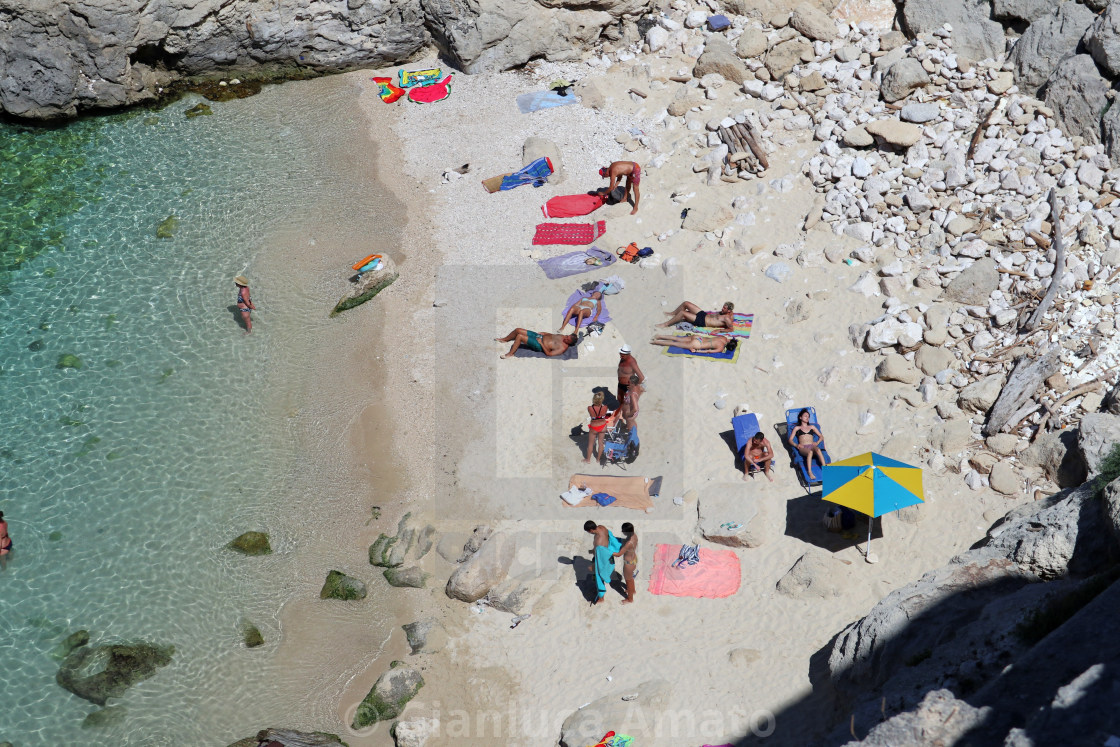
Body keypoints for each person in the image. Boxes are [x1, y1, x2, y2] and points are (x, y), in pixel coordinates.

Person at [584, 520, 622, 604]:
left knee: (599, 577)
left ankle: (601, 598)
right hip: (608, 556)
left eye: (588, 532)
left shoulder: (598, 543)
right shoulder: (602, 527)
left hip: (603, 558)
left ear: (590, 530)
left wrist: (594, 565)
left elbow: (601, 559)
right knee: (610, 572)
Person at [789, 408, 827, 480]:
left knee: (818, 450)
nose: (807, 418)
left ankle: (825, 468)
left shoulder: (812, 427)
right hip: (803, 448)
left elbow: (821, 436)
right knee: (810, 452)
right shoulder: (797, 428)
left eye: (808, 416)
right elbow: (790, 440)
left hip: (812, 445)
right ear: (800, 417)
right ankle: (809, 472)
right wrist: (796, 445)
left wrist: (817, 442)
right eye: (805, 416)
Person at [495, 329, 577, 358]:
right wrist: (544, 333)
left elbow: (549, 354)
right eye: (567, 336)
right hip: (539, 336)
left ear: (569, 343)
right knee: (518, 330)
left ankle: (510, 354)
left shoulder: (562, 348)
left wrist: (541, 343)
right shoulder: (564, 336)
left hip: (539, 345)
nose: (565, 337)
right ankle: (505, 339)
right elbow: (552, 335)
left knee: (520, 336)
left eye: (567, 339)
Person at [659, 301, 735, 330]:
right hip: (704, 315)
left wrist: (718, 331)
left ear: (728, 310)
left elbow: (731, 329)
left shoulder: (727, 318)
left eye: (724, 308)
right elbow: (732, 313)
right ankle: (673, 314)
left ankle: (666, 324)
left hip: (702, 322)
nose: (722, 309)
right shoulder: (728, 312)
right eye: (723, 307)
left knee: (683, 313)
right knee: (686, 303)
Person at [584, 391, 612, 464]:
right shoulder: (605, 407)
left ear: (594, 399)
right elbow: (606, 415)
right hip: (602, 426)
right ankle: (598, 459)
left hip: (594, 427)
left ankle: (588, 460)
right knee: (600, 443)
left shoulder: (589, 408)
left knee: (590, 444)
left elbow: (592, 415)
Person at [614, 522, 638, 604]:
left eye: (623, 530)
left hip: (628, 564)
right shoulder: (634, 536)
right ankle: (633, 590)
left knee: (628, 581)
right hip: (634, 559)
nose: (622, 531)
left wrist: (608, 551)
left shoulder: (628, 543)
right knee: (630, 579)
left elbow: (618, 554)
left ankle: (630, 599)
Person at [649, 334, 738, 354]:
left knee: (677, 339)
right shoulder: (721, 348)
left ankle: (659, 336)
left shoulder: (723, 338)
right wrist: (696, 351)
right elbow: (708, 351)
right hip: (698, 344)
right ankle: (655, 342)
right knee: (675, 344)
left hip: (699, 337)